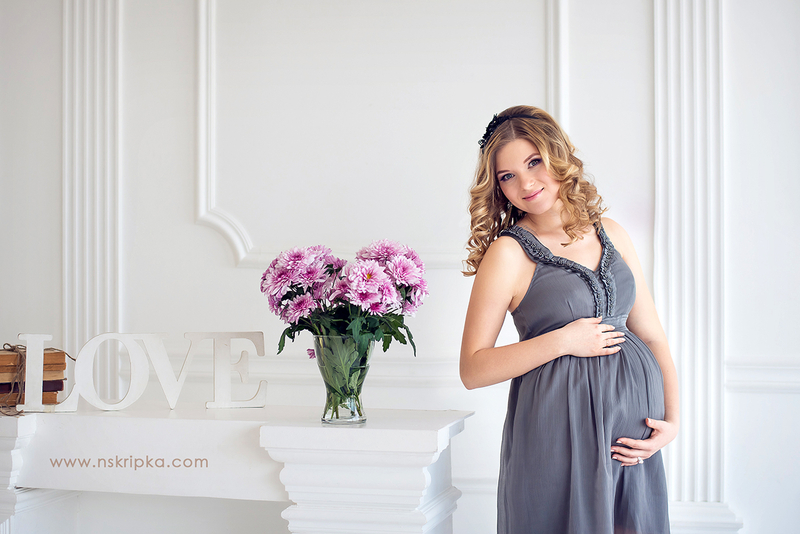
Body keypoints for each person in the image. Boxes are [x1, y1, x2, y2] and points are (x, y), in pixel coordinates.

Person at [460, 105, 679, 533]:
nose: (525, 184)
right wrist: (562, 341)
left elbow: (653, 335)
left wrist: (672, 422)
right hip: (558, 439)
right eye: (507, 176)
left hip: (631, 445)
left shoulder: (611, 232)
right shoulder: (508, 254)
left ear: (557, 156)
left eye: (534, 162)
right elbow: (472, 368)